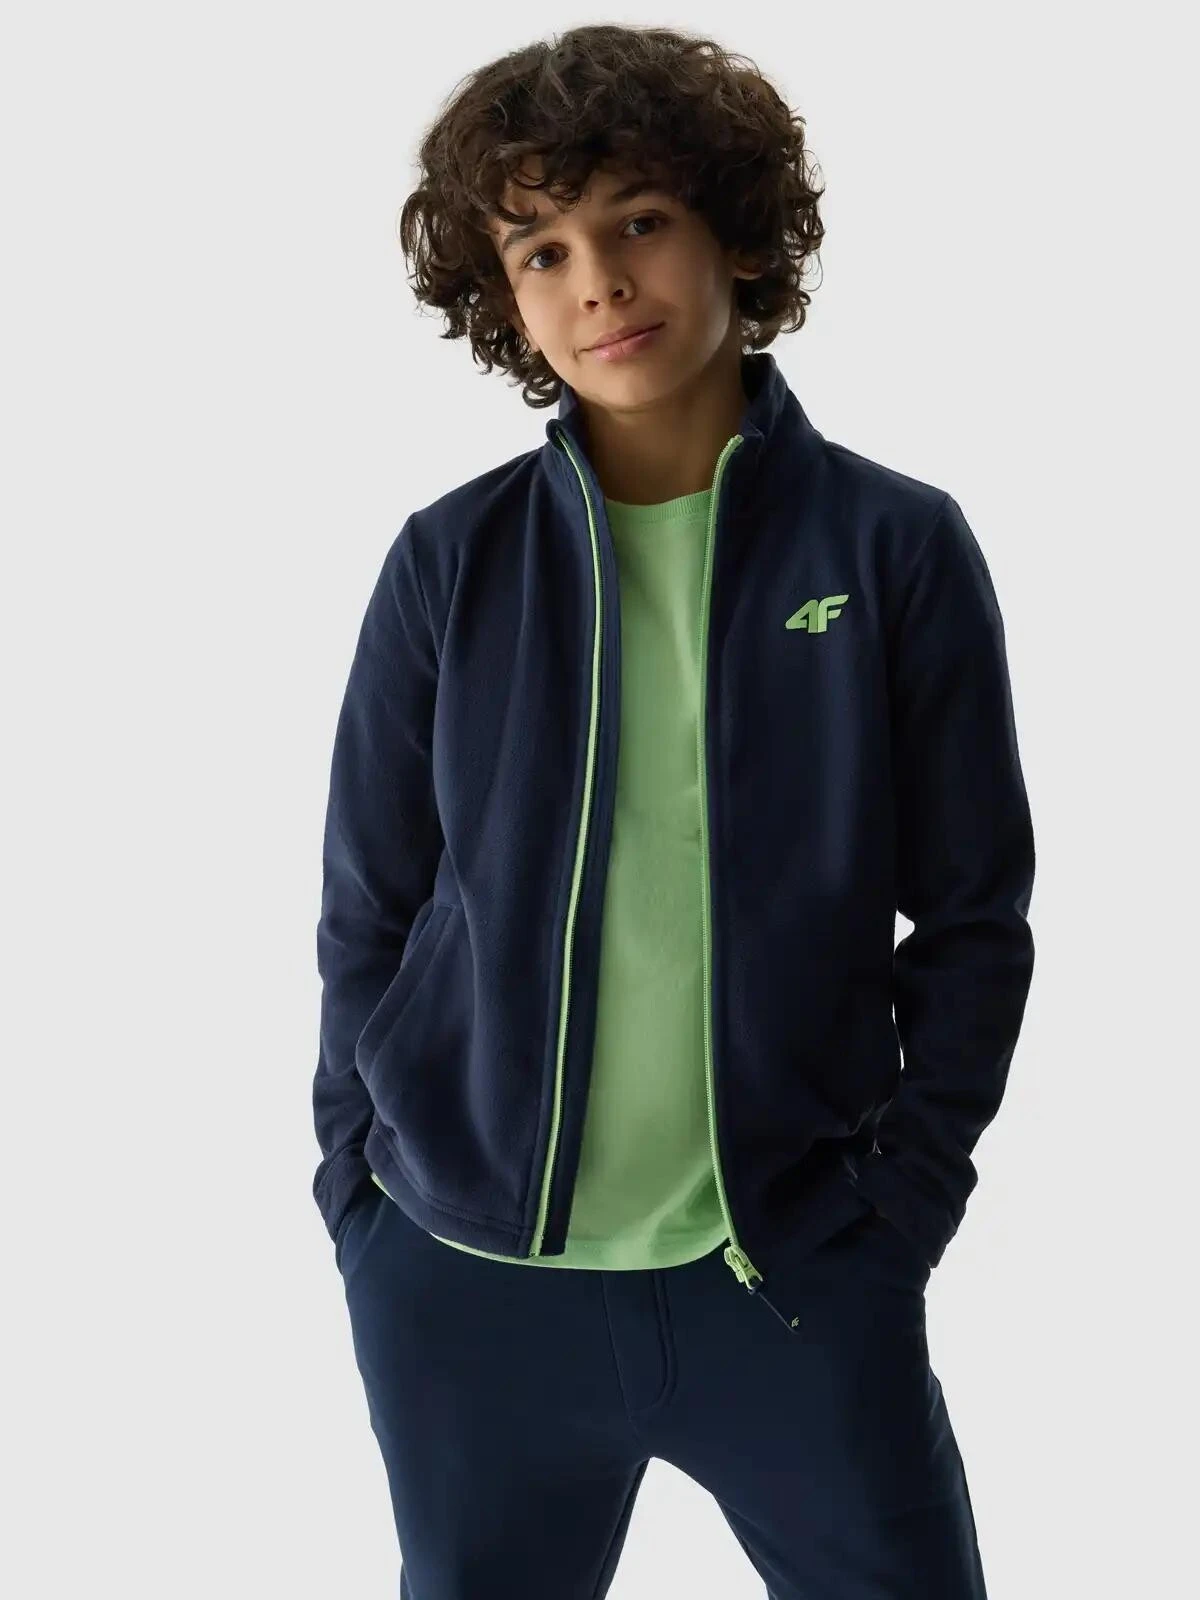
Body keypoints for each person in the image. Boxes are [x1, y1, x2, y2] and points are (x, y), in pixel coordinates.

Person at [312, 23, 1035, 1599]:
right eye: (543, 251)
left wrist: (900, 1209)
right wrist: (359, 1194)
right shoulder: (450, 563)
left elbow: (975, 917)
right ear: (505, 301)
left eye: (638, 220)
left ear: (736, 234)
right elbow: (370, 908)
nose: (599, 282)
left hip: (786, 1275)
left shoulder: (893, 548)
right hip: (467, 1287)